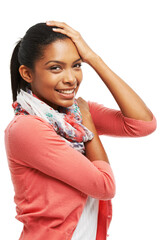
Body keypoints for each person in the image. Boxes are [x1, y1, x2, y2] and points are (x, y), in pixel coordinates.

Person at [4, 21, 156, 240]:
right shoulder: (27, 128)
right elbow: (104, 186)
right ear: (27, 74)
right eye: (55, 67)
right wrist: (88, 123)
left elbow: (143, 123)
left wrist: (93, 58)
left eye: (76, 65)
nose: (71, 78)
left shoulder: (72, 114)